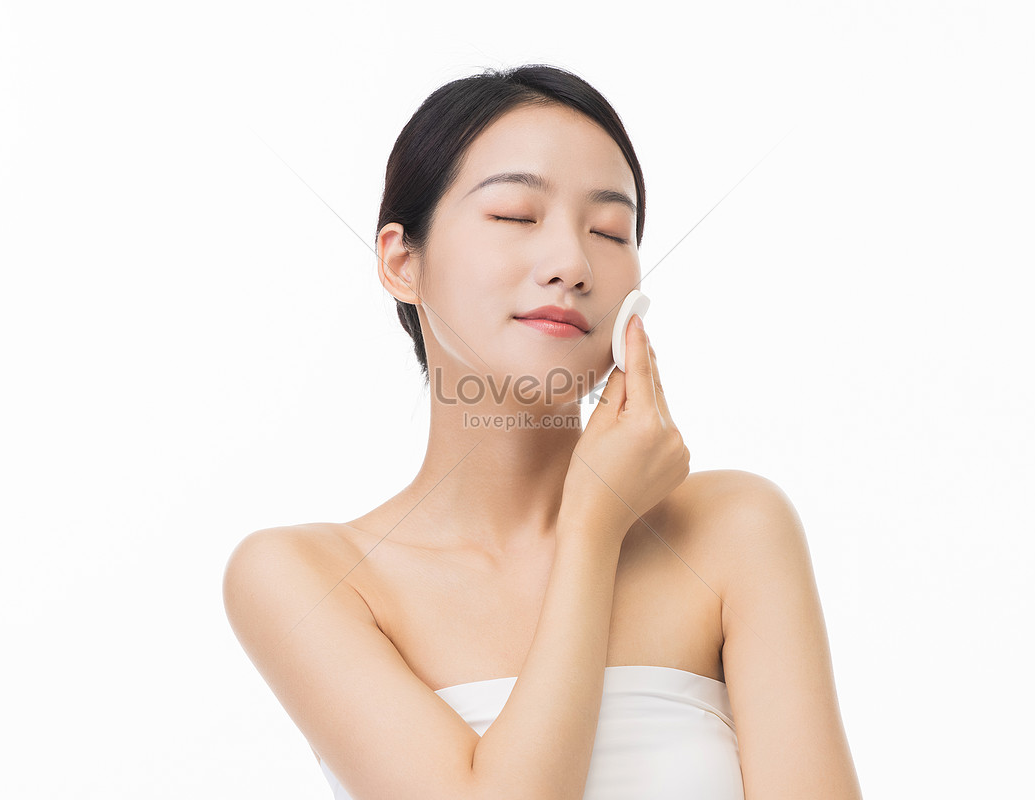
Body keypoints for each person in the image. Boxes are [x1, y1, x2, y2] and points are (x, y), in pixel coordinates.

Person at [223, 64, 862, 800]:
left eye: (610, 231)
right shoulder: (302, 575)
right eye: (516, 216)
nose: (572, 264)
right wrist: (592, 527)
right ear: (402, 262)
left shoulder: (736, 530)